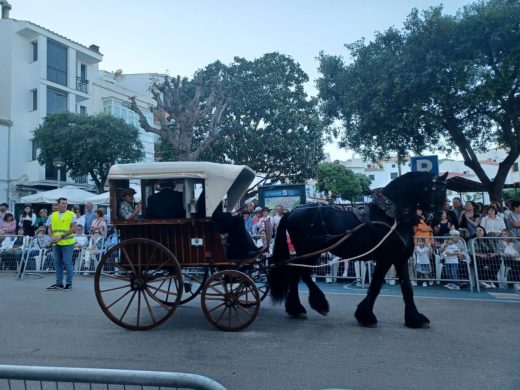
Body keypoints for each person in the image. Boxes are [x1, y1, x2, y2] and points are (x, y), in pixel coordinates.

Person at [46, 197, 77, 291]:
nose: (65, 205)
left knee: (68, 263)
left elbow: (73, 228)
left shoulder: (71, 214)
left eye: (66, 203)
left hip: (67, 242)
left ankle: (69, 283)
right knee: (57, 263)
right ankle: (59, 283)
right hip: (56, 242)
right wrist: (52, 237)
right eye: (63, 203)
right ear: (58, 204)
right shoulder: (53, 215)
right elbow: (49, 229)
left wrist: (61, 236)